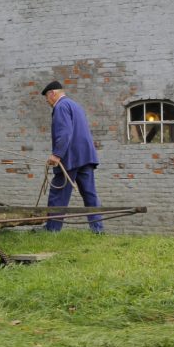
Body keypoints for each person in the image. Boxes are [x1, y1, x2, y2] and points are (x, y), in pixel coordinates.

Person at [40, 81, 103, 233]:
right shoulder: (75, 105)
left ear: (52, 94)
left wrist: (57, 155)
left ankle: (52, 229)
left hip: (70, 159)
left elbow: (65, 132)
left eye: (47, 98)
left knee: (58, 194)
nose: (47, 102)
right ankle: (98, 230)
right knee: (90, 194)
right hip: (86, 157)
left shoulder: (61, 106)